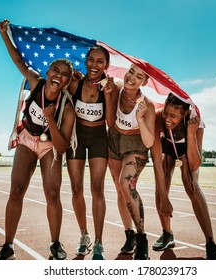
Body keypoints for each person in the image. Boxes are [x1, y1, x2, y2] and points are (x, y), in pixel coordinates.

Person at [0, 19, 76, 260]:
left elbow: (62, 146)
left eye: (64, 75)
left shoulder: (66, 108)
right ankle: (8, 246)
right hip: (28, 139)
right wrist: (4, 35)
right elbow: (18, 60)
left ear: (68, 81)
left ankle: (55, 245)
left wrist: (51, 119)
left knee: (52, 194)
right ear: (48, 72)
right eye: (55, 71)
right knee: (17, 190)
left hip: (50, 146)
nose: (58, 76)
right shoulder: (35, 82)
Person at [108, 64, 170, 260]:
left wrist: (140, 118)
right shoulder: (116, 88)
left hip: (136, 143)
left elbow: (149, 141)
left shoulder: (147, 105)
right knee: (119, 189)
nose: (132, 78)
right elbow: (110, 122)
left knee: (126, 184)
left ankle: (142, 237)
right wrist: (108, 93)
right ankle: (130, 235)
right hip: (114, 140)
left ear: (144, 82)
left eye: (138, 76)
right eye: (131, 72)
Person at [150, 93, 216, 260]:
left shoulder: (196, 123)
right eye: (166, 113)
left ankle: (210, 242)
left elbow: (195, 164)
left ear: (184, 114)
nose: (168, 118)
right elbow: (155, 162)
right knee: (161, 187)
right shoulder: (158, 118)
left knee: (191, 186)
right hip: (167, 148)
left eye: (173, 116)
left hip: (187, 150)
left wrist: (190, 132)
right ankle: (167, 234)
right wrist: (164, 198)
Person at [66, 45, 117, 260]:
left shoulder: (111, 88)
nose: (94, 65)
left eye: (100, 61)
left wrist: (107, 95)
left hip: (98, 138)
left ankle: (98, 242)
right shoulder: (75, 83)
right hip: (76, 138)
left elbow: (111, 122)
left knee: (97, 188)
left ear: (106, 65)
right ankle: (84, 235)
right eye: (91, 60)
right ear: (86, 61)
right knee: (77, 188)